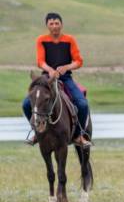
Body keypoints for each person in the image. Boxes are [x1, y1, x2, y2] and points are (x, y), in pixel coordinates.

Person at [22, 12, 92, 148]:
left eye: (57, 23)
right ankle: (37, 131)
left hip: (65, 78)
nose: (54, 26)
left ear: (61, 24)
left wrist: (67, 67)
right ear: (47, 25)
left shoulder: (69, 39)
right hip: (46, 77)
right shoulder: (41, 40)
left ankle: (78, 135)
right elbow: (40, 61)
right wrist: (50, 70)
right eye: (51, 23)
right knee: (26, 104)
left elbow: (78, 61)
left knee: (82, 104)